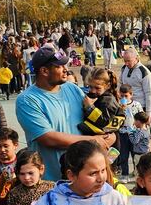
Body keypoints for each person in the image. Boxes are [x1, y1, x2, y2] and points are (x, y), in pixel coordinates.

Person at [16, 45, 114, 181]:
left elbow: (94, 119)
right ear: (44, 71)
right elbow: (48, 138)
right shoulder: (27, 100)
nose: (65, 70)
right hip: (52, 182)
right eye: (59, 66)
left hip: (84, 180)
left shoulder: (72, 88)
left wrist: (109, 135)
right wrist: (92, 141)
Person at [79, 68, 123, 136]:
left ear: (108, 86)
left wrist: (90, 108)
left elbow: (104, 121)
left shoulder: (108, 101)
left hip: (106, 139)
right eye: (90, 87)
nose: (93, 91)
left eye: (97, 88)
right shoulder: (97, 96)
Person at [119, 48, 151, 114]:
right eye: (125, 61)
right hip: (125, 105)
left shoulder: (144, 72)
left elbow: (149, 93)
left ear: (136, 58)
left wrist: (148, 112)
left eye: (129, 61)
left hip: (140, 108)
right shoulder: (124, 68)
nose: (126, 63)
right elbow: (120, 84)